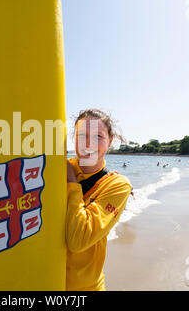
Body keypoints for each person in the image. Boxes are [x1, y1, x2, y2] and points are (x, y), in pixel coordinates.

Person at [66, 109, 131, 291]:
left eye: (98, 136)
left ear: (110, 142)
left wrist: (72, 182)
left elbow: (79, 240)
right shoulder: (57, 168)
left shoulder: (117, 184)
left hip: (86, 288)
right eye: (81, 136)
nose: (88, 143)